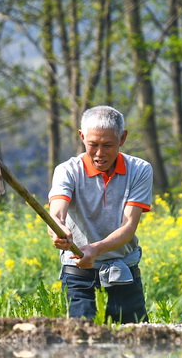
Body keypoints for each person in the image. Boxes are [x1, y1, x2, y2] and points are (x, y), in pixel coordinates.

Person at [48, 105, 152, 323]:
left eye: (108, 145)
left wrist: (95, 249)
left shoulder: (140, 170)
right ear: (81, 136)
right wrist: (58, 229)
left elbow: (128, 226)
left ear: (122, 138)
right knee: (81, 346)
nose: (99, 153)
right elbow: (56, 213)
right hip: (78, 273)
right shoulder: (67, 171)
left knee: (133, 347)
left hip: (123, 271)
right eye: (92, 144)